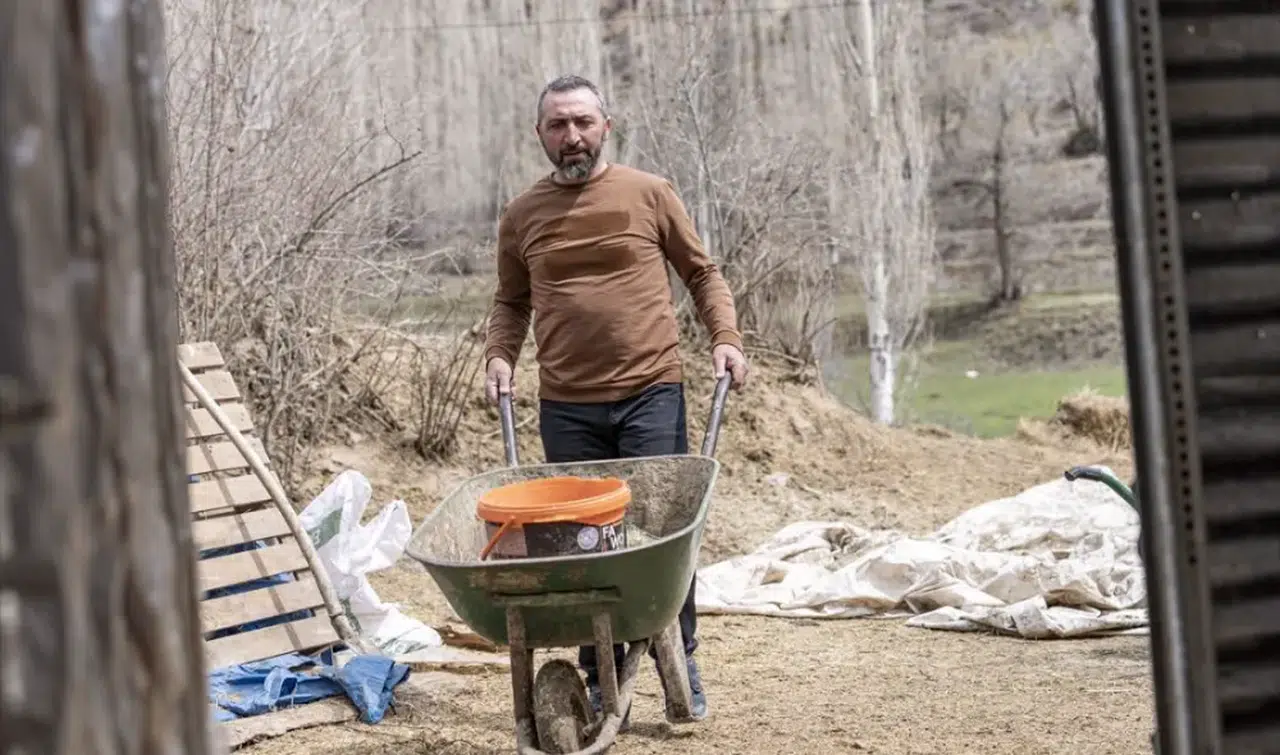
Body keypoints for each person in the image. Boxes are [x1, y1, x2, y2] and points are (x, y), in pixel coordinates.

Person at [482, 74, 749, 726]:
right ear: (540, 134)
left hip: (650, 392)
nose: (571, 135)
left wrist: (726, 337)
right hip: (567, 404)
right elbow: (511, 301)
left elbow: (701, 272)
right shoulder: (522, 215)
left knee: (660, 534)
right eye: (557, 124)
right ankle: (601, 675)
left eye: (582, 121)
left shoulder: (649, 193)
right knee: (578, 543)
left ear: (607, 124)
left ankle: (678, 658)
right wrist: (499, 355)